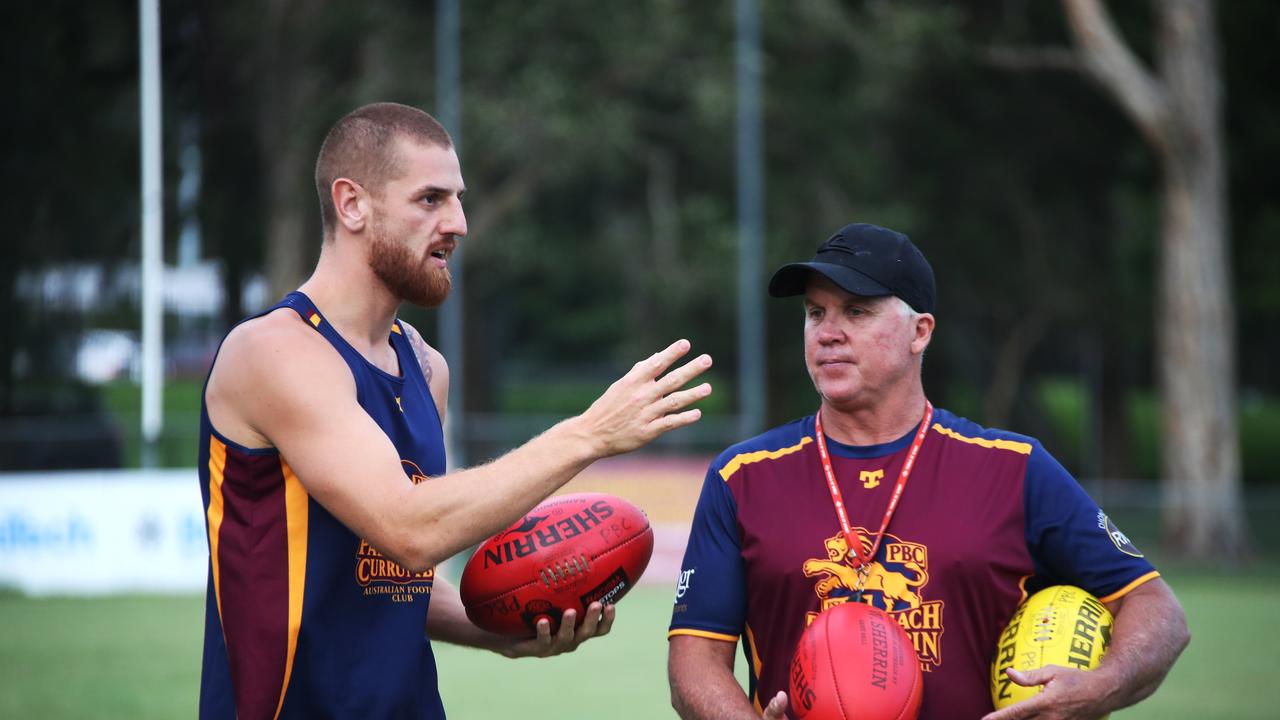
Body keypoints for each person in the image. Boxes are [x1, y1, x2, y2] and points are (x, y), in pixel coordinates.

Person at [197, 102, 713, 719]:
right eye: (430, 199)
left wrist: (505, 633)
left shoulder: (425, 367)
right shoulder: (274, 352)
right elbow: (409, 530)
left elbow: (393, 578)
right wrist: (589, 435)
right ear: (352, 204)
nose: (459, 222)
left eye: (458, 199)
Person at [667, 223, 1189, 720]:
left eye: (855, 311)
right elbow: (694, 660)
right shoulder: (742, 477)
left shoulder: (1014, 468)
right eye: (814, 312)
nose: (828, 333)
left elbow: (1154, 607)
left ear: (920, 332)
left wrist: (1098, 687)